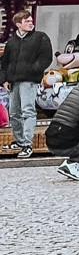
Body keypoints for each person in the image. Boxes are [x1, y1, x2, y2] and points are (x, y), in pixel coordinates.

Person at [1, 9, 53, 159]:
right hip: (13, 81)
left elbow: (46, 57)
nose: (31, 23)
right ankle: (19, 140)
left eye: (31, 21)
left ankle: (27, 144)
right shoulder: (12, 42)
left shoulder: (40, 38)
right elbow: (4, 62)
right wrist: (4, 79)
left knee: (28, 110)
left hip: (29, 81)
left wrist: (33, 70)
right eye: (27, 21)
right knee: (14, 113)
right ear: (19, 24)